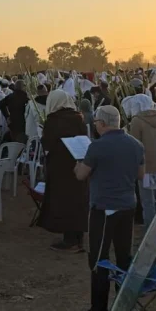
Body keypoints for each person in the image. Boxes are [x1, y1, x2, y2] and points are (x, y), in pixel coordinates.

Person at [73, 105, 145, 311]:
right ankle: (125, 303)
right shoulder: (136, 144)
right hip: (127, 206)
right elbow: (141, 175)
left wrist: (77, 164)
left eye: (95, 123)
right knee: (124, 256)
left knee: (99, 258)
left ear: (102, 124)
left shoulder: (98, 147)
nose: (95, 126)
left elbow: (81, 175)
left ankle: (99, 310)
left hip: (104, 208)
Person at [38, 90, 89, 252]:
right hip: (78, 165)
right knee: (77, 200)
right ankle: (78, 238)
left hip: (60, 168)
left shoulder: (53, 120)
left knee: (64, 202)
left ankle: (70, 240)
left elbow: (47, 145)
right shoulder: (78, 117)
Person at [127, 94, 156, 230]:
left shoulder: (137, 121)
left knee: (148, 203)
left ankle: (149, 235)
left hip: (146, 168)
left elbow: (134, 146)